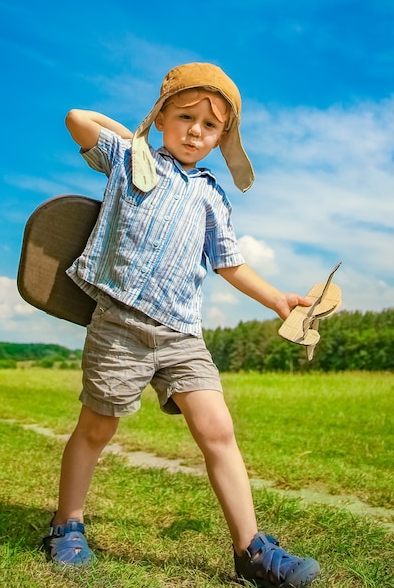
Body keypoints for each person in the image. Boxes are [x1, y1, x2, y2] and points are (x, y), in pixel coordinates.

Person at [42, 62, 320, 587]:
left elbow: (229, 263)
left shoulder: (212, 195)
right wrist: (138, 140)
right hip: (120, 322)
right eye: (184, 116)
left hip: (181, 332)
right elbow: (77, 119)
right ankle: (66, 526)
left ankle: (252, 551)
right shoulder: (130, 162)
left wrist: (278, 299)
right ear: (161, 116)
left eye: (210, 125)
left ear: (222, 138)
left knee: (218, 430)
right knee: (97, 428)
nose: (195, 131)